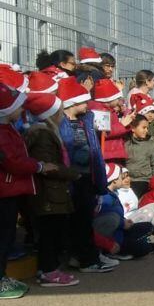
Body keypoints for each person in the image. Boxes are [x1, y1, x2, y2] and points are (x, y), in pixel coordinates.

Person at [56, 78, 117, 274]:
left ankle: (84, 256)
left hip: (87, 177)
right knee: (79, 221)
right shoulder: (61, 123)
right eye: (83, 101)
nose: (87, 104)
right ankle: (86, 259)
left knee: (84, 220)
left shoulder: (86, 120)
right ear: (72, 103)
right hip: (72, 178)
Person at [21, 92, 79, 288]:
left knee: (50, 232)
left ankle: (48, 269)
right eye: (59, 111)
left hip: (50, 192)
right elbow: (49, 166)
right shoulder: (43, 135)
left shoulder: (44, 133)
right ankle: (49, 271)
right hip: (49, 193)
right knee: (50, 233)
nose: (62, 114)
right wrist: (73, 174)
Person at [124, 114, 154, 197]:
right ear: (133, 128)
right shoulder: (125, 143)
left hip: (144, 180)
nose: (146, 130)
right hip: (128, 180)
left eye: (147, 128)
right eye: (143, 128)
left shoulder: (149, 144)